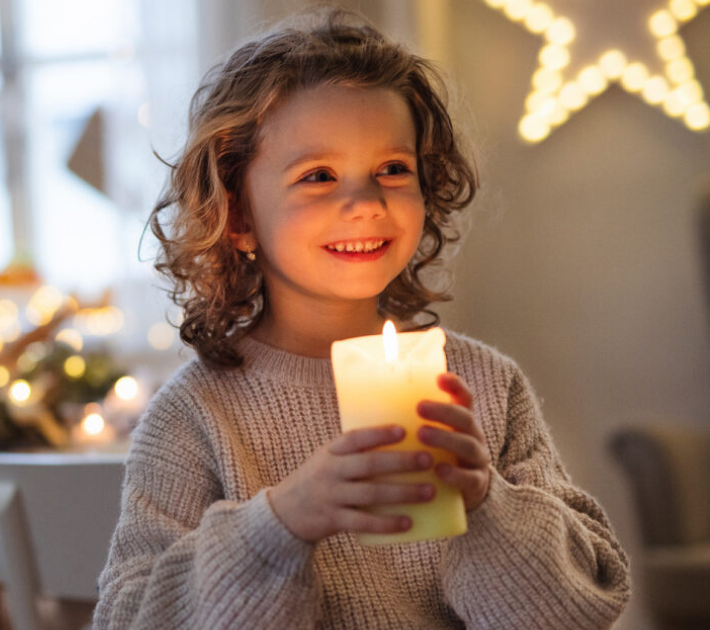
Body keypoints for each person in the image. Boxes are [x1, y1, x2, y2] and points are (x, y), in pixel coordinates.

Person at [92, 7, 630, 629]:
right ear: (238, 218)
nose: (366, 202)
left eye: (392, 170)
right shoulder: (195, 416)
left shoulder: (486, 387)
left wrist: (488, 503)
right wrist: (283, 521)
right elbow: (128, 618)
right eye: (318, 176)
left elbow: (582, 609)